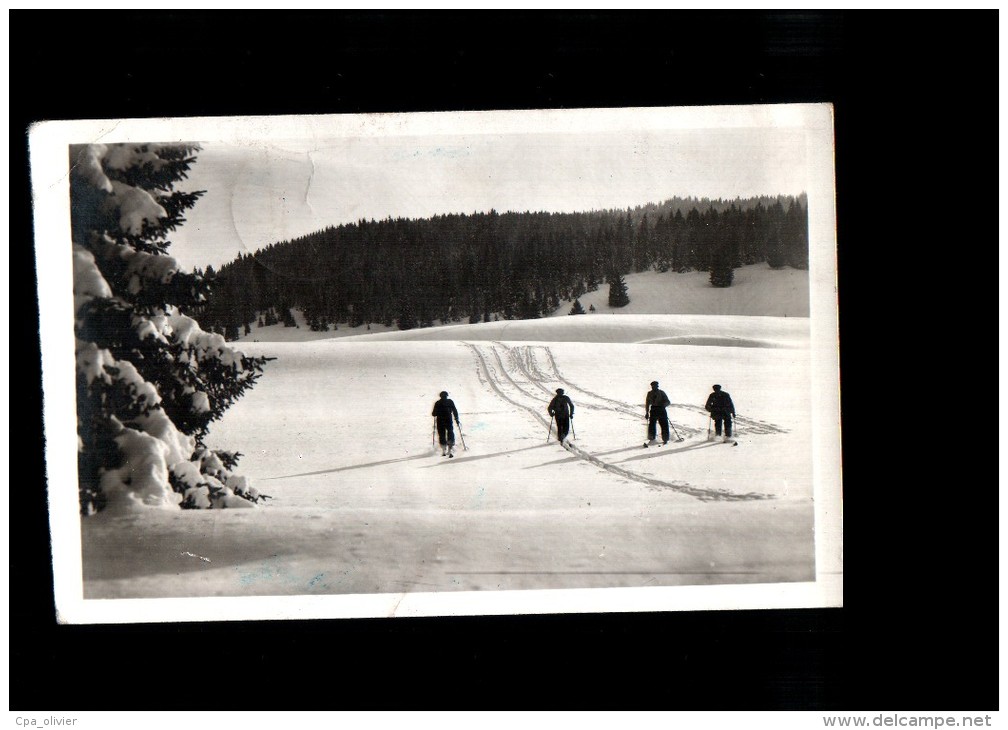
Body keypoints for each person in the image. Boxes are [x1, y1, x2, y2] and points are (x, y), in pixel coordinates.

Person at [432, 390, 460, 457]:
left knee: (442, 434)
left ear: (440, 396)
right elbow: (454, 411)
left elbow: (433, 413)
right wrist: (457, 419)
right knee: (450, 432)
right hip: (448, 420)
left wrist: (436, 413)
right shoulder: (450, 401)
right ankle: (450, 447)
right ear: (447, 396)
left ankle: (443, 449)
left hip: (440, 421)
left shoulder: (437, 403)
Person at [644, 380, 671, 445]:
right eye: (653, 386)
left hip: (661, 410)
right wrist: (647, 412)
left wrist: (663, 405)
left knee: (664, 424)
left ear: (657, 386)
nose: (654, 387)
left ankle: (665, 439)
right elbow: (647, 403)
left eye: (655, 386)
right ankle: (652, 439)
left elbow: (668, 402)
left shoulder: (662, 392)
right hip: (653, 410)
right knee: (652, 425)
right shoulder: (649, 393)